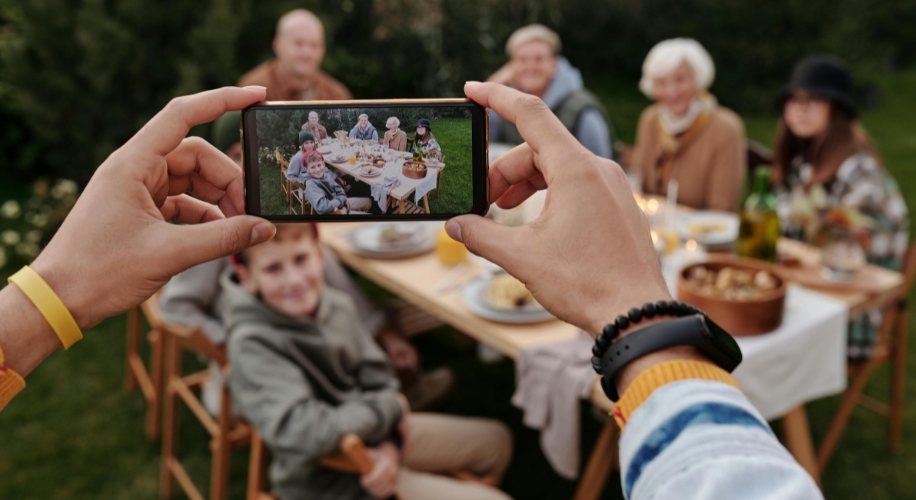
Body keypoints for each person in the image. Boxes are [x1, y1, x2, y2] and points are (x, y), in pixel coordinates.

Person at [0, 83, 822, 500]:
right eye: (275, 263)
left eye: (302, 260)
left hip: (373, 420)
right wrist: (383, 421)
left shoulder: (325, 296)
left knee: (488, 442)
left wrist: (49, 298)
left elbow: (355, 356)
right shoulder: (255, 336)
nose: (295, 272)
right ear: (242, 264)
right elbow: (306, 425)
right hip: (339, 471)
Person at [160, 121, 454, 415]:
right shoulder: (215, 226)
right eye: (234, 156)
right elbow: (175, 307)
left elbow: (334, 278)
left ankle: (395, 368)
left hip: (307, 321)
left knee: (382, 312)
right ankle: (396, 404)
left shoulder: (274, 215)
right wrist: (229, 343)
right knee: (357, 343)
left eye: (247, 153)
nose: (242, 166)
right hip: (271, 356)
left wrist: (381, 331)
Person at [225, 223, 513, 500]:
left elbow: (380, 376)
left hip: (379, 440)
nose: (294, 280)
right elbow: (303, 431)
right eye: (273, 268)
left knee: (497, 442)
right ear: (248, 277)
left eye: (301, 259)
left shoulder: (336, 305)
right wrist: (387, 411)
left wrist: (389, 445)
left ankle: (427, 477)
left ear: (320, 254)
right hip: (335, 480)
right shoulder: (252, 344)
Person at [773, 55, 909, 359]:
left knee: (757, 325)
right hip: (811, 284)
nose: (799, 108)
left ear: (837, 111)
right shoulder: (802, 161)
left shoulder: (858, 172)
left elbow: (851, 253)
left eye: (813, 100)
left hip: (853, 307)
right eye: (793, 99)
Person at [630, 38, 746, 212]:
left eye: (680, 80)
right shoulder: (650, 119)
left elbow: (722, 208)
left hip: (701, 234)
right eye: (662, 83)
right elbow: (638, 184)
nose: (672, 91)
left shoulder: (726, 128)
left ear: (697, 79)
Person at [486, 24, 613, 159]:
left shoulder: (582, 110)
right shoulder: (501, 108)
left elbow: (602, 167)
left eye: (539, 59)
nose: (530, 67)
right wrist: (494, 84)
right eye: (522, 59)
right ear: (510, 66)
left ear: (555, 64)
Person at [238, 9, 352, 101]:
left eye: (314, 45)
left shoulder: (338, 95)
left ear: (323, 49)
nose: (307, 53)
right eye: (299, 43)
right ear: (277, 45)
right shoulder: (253, 89)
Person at [301, 150, 372, 214]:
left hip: (340, 203)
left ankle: (357, 212)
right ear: (306, 169)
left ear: (323, 163)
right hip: (336, 212)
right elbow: (323, 207)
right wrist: (342, 203)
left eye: (319, 165)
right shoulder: (311, 184)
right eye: (312, 167)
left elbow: (338, 188)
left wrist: (343, 200)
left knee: (368, 202)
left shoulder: (325, 175)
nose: (317, 170)